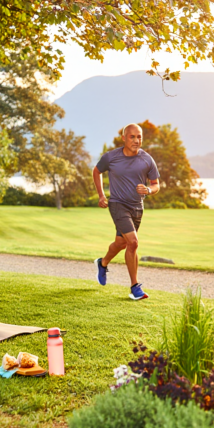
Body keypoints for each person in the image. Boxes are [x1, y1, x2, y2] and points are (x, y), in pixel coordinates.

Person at [92, 123, 160, 300]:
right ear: (124, 138)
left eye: (139, 137)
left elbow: (156, 184)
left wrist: (148, 190)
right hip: (117, 204)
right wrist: (101, 195)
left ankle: (103, 262)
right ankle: (135, 287)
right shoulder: (111, 157)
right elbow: (97, 171)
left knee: (121, 244)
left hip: (137, 207)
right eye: (132, 137)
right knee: (133, 243)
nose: (137, 141)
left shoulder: (147, 159)